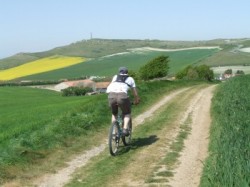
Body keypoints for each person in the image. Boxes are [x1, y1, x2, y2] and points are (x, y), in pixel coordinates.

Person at [106, 67, 140, 136]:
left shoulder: (115, 77)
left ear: (119, 72)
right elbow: (135, 92)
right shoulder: (130, 79)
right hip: (122, 96)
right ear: (127, 72)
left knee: (114, 114)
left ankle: (114, 132)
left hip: (111, 95)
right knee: (127, 112)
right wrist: (136, 99)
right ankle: (124, 129)